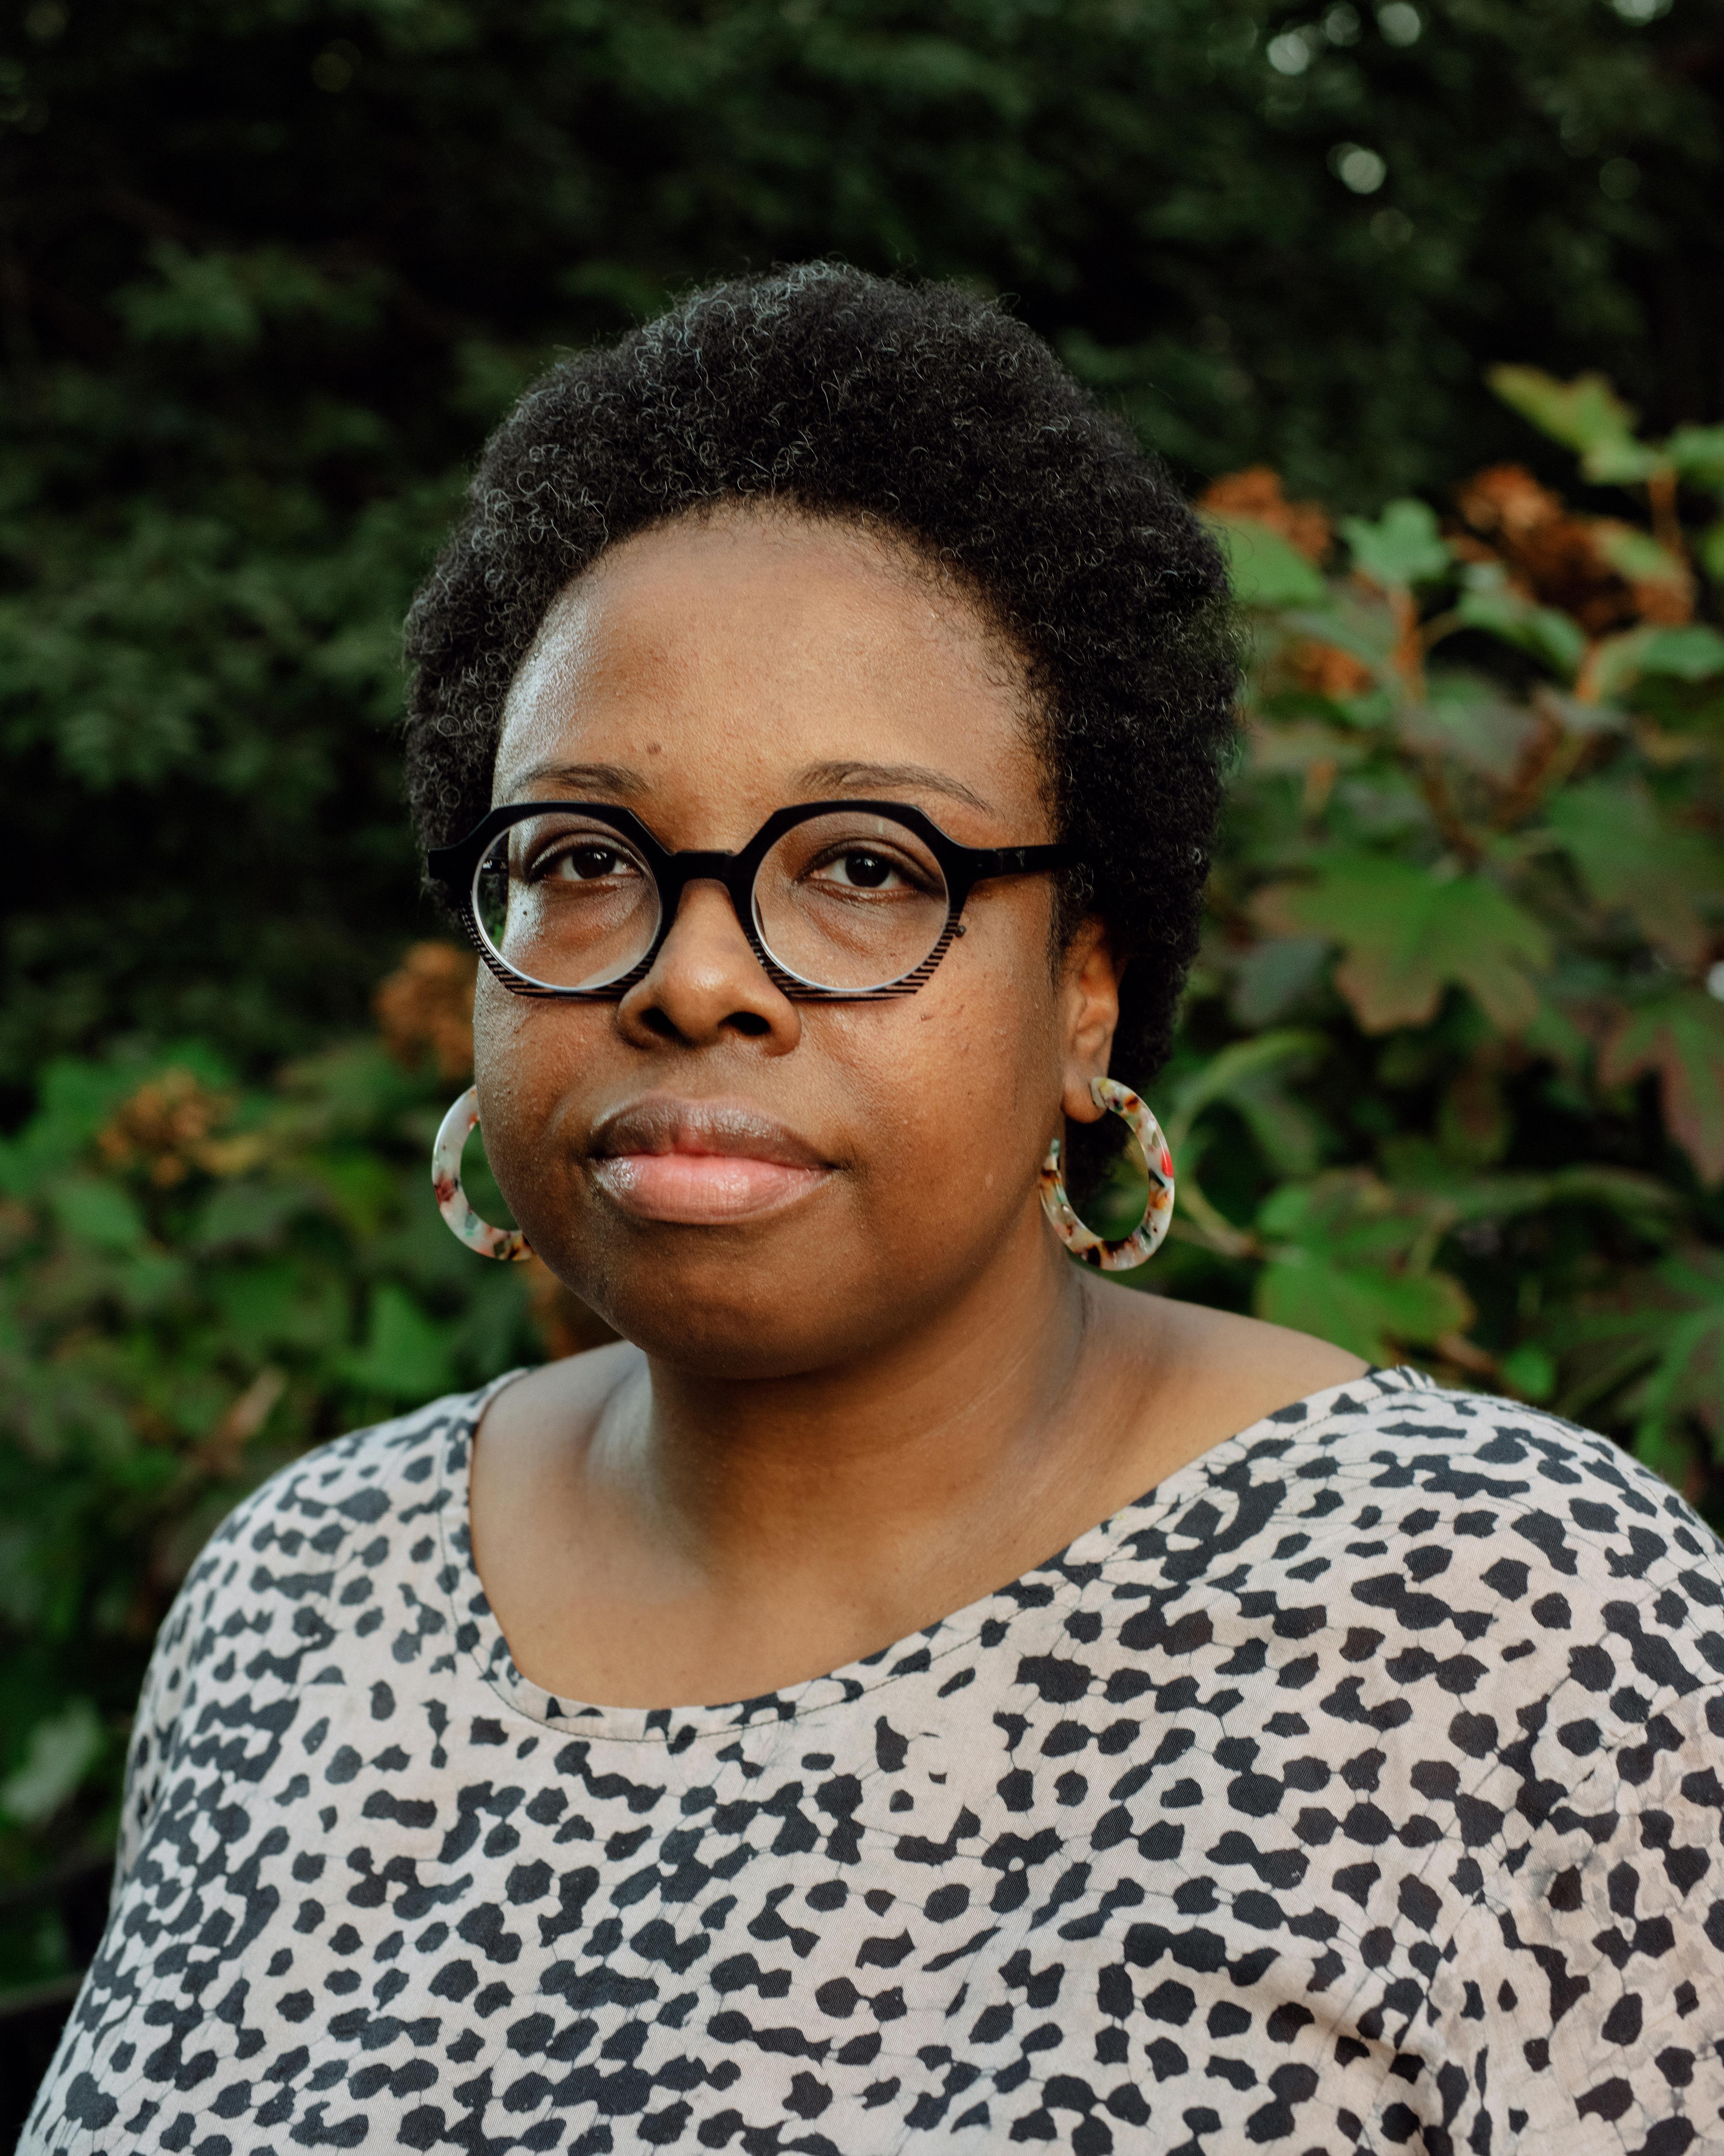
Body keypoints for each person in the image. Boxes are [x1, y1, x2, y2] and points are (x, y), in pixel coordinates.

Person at [25, 265, 1724, 2156]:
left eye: (861, 865)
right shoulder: (298, 1599)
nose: (692, 978)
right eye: (585, 858)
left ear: (1087, 993)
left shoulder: (1511, 1629)